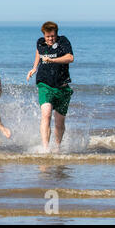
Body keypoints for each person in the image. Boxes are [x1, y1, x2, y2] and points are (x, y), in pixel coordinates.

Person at [26, 21, 74, 153]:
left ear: (56, 34)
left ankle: (57, 148)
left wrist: (52, 60)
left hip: (62, 86)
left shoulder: (63, 41)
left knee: (59, 123)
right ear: (44, 35)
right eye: (48, 36)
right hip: (44, 84)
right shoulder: (40, 42)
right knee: (46, 114)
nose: (50, 39)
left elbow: (70, 58)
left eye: (52, 36)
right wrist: (34, 67)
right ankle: (46, 148)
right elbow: (38, 52)